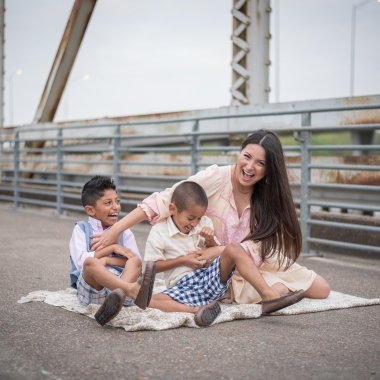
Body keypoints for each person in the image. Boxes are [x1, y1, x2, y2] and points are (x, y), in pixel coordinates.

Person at [91, 129, 330, 309]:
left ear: (269, 170)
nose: (249, 167)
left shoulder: (268, 195)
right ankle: (268, 292)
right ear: (239, 153)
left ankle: (273, 290)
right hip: (220, 269)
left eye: (260, 163)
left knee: (321, 289)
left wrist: (219, 250)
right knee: (275, 289)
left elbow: (263, 244)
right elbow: (166, 200)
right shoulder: (217, 177)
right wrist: (115, 230)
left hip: (253, 258)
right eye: (246, 157)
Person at [145, 181, 305, 326]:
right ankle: (197, 310)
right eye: (190, 218)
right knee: (146, 299)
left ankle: (268, 295)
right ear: (173, 209)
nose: (194, 223)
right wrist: (183, 261)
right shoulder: (159, 232)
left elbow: (216, 252)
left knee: (234, 248)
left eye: (199, 218)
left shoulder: (204, 223)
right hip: (183, 287)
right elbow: (150, 267)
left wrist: (210, 241)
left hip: (208, 278)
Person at [69, 175, 156, 327]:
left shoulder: (124, 231)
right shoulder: (82, 229)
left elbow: (134, 261)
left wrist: (108, 260)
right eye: (108, 203)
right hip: (93, 290)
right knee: (90, 262)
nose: (116, 207)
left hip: (121, 288)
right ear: (90, 210)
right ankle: (131, 290)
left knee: (135, 261)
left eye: (117, 201)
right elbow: (81, 262)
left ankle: (119, 297)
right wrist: (113, 248)